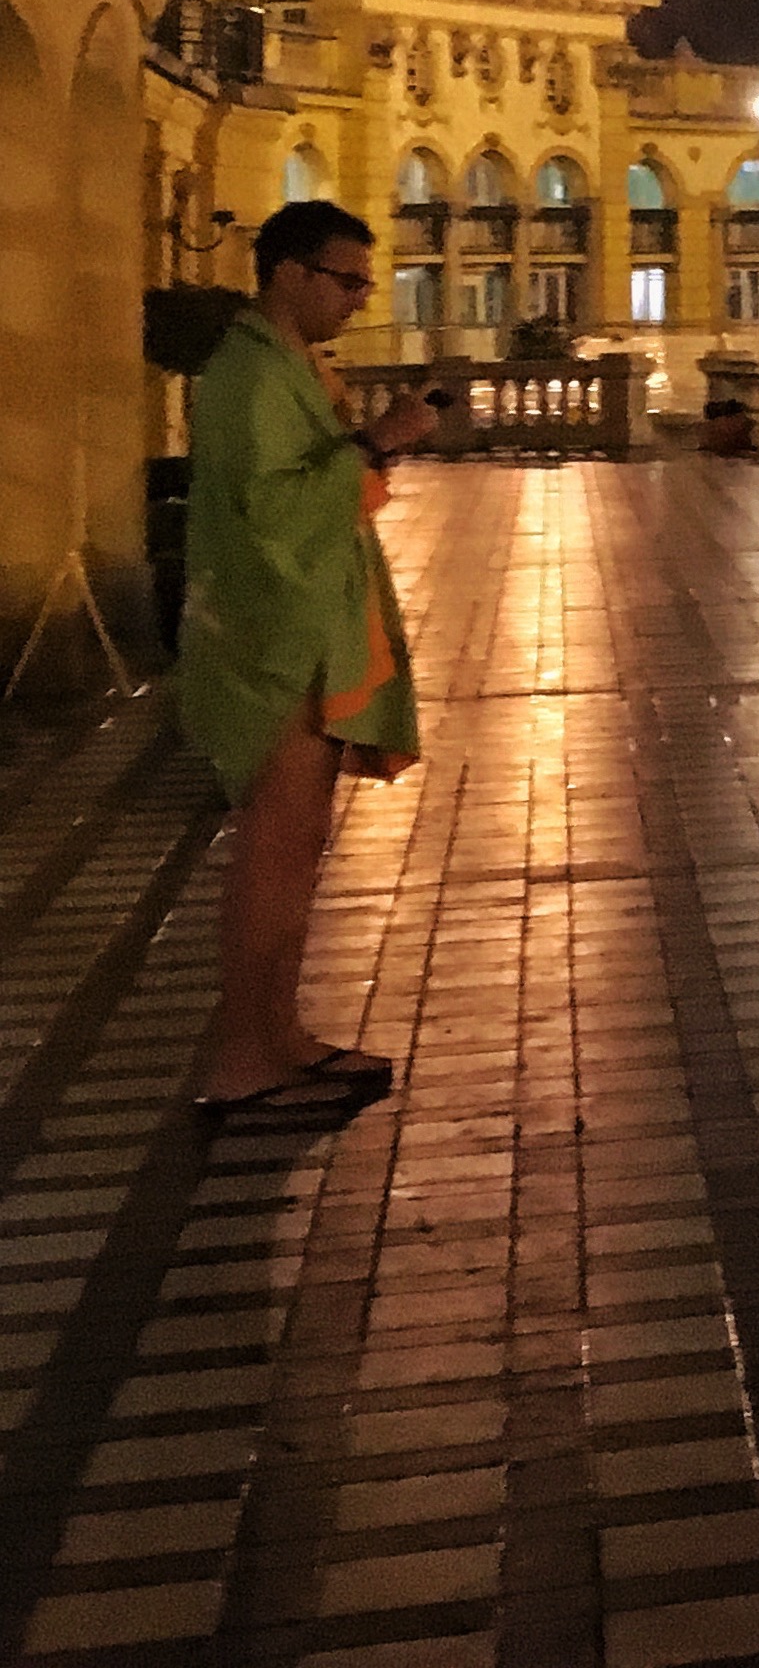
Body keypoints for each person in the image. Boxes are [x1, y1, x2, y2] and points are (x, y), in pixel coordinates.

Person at [176, 200, 439, 1126]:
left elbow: (312, 494)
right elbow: (269, 513)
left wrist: (363, 450)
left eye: (367, 284)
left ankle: (279, 1034)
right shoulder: (249, 375)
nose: (358, 300)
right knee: (277, 850)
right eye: (346, 280)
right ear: (289, 272)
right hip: (271, 645)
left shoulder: (288, 365)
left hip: (302, 633)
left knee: (297, 848)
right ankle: (246, 1056)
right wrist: (379, 440)